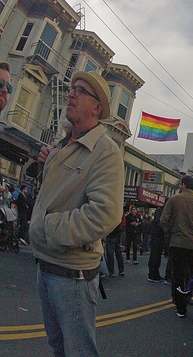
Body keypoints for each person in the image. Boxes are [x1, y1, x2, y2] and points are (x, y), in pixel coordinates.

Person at [30, 70, 124, 357]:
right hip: (45, 266)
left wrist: (46, 228)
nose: (71, 93)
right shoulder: (63, 145)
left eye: (80, 90)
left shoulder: (105, 152)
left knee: (79, 352)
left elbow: (104, 214)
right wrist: (45, 163)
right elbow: (54, 195)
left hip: (72, 276)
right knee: (59, 347)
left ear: (97, 108)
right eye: (72, 88)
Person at [160, 175, 193, 318]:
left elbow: (164, 220)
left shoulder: (174, 200)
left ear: (183, 185)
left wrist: (169, 235)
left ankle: (181, 308)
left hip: (177, 243)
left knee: (178, 276)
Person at [105, 211, 126, 277]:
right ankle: (121, 270)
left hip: (111, 233)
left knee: (110, 253)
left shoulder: (110, 212)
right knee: (118, 252)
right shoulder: (119, 211)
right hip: (118, 232)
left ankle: (111, 271)